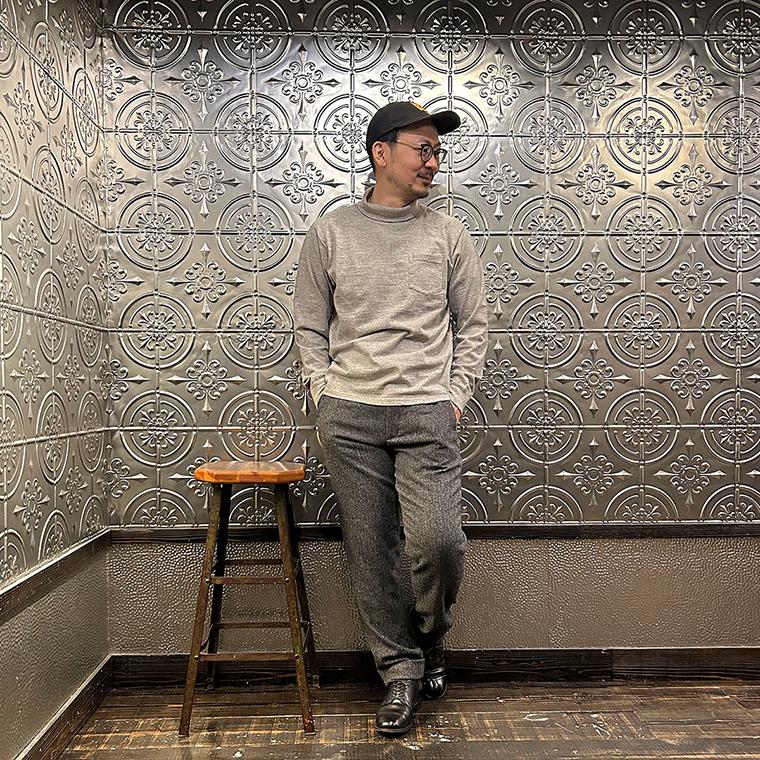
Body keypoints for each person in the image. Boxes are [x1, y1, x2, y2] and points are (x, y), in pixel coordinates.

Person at [293, 101, 488, 736]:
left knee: (438, 542)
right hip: (349, 414)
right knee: (372, 550)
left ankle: (430, 635)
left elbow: (474, 326)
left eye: (438, 152)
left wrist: (454, 395)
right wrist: (323, 393)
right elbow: (309, 325)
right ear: (381, 153)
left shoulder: (448, 235)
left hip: (427, 410)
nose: (434, 162)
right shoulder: (331, 232)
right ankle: (400, 673)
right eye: (422, 149)